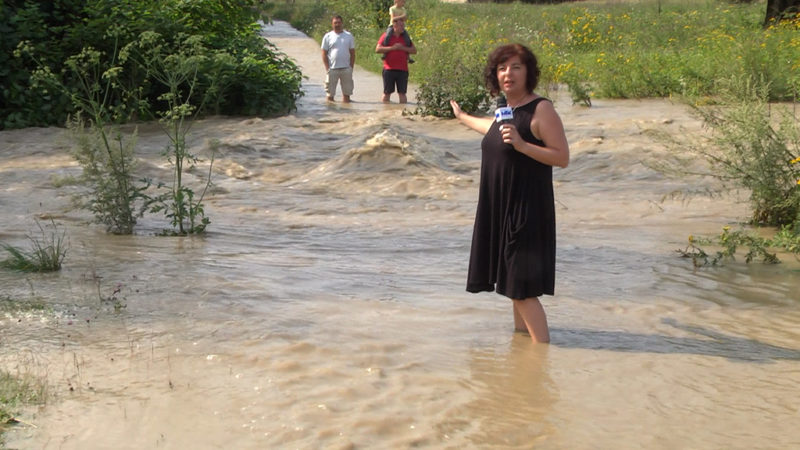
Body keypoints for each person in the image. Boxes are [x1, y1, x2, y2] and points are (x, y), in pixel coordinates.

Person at [449, 44, 570, 344]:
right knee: (513, 289)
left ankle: (542, 359)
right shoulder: (505, 112)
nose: (508, 74)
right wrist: (462, 116)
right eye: (502, 68)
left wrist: (523, 145)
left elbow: (562, 157)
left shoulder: (542, 109)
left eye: (516, 67)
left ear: (528, 72)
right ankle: (522, 356)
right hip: (500, 210)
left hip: (526, 212)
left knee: (523, 290)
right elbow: (489, 128)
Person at [375, 17, 417, 104]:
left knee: (402, 94)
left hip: (403, 69)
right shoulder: (386, 36)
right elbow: (378, 49)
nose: (403, 27)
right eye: (401, 25)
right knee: (387, 93)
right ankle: (385, 112)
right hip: (388, 69)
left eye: (403, 25)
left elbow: (414, 50)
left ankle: (403, 112)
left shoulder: (406, 38)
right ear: (395, 26)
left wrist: (402, 48)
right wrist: (392, 48)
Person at [321, 15, 356, 103]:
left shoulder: (348, 36)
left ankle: (347, 114)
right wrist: (327, 68)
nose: (337, 24)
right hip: (332, 69)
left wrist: (351, 67)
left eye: (339, 22)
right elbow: (324, 53)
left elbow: (352, 53)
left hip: (346, 68)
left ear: (342, 23)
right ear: (332, 24)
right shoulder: (327, 36)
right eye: (335, 23)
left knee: (347, 96)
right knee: (330, 96)